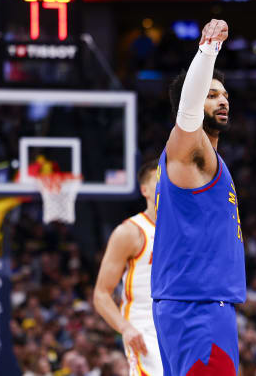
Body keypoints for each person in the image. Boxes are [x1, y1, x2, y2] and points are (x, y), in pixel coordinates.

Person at [151, 19, 245, 376]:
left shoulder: (207, 163)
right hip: (198, 309)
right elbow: (187, 115)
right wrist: (208, 50)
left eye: (224, 95)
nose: (222, 100)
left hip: (190, 306)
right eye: (211, 93)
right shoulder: (189, 149)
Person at [94, 159, 162, 376]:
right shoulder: (131, 232)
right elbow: (101, 294)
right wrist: (126, 329)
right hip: (145, 327)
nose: (167, 188)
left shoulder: (187, 230)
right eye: (159, 182)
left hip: (180, 323)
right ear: (144, 190)